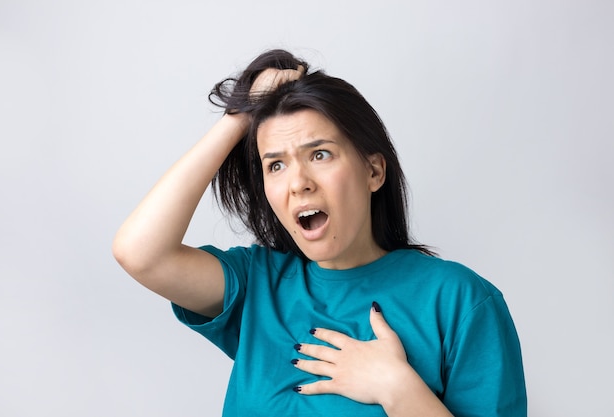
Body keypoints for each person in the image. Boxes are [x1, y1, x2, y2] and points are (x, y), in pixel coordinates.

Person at [113, 49, 527, 417]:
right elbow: (141, 253)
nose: (299, 182)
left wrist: (398, 390)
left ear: (374, 170)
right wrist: (241, 116)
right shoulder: (256, 285)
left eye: (320, 154)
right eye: (276, 164)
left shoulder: (461, 301)